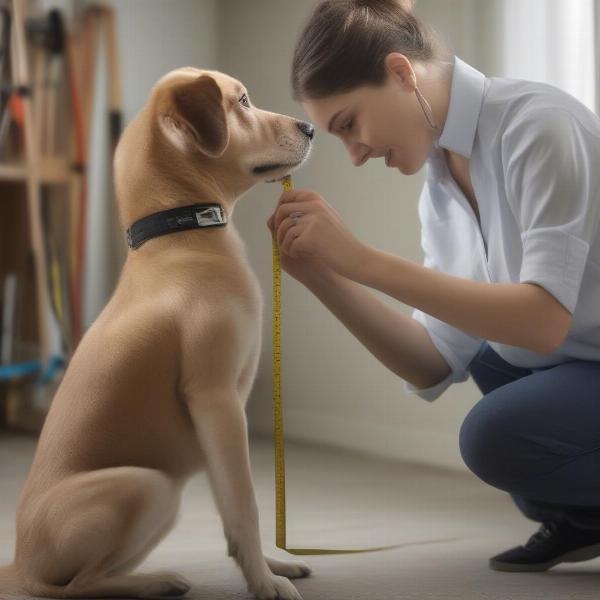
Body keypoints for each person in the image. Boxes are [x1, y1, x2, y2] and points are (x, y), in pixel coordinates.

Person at [266, 0, 600, 574]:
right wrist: (325, 275)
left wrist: (362, 257)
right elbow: (431, 362)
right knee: (493, 360)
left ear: (401, 73)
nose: (354, 155)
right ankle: (588, 517)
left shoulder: (539, 125)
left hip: (574, 351)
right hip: (584, 359)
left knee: (495, 434)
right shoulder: (442, 186)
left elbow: (543, 323)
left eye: (350, 123)